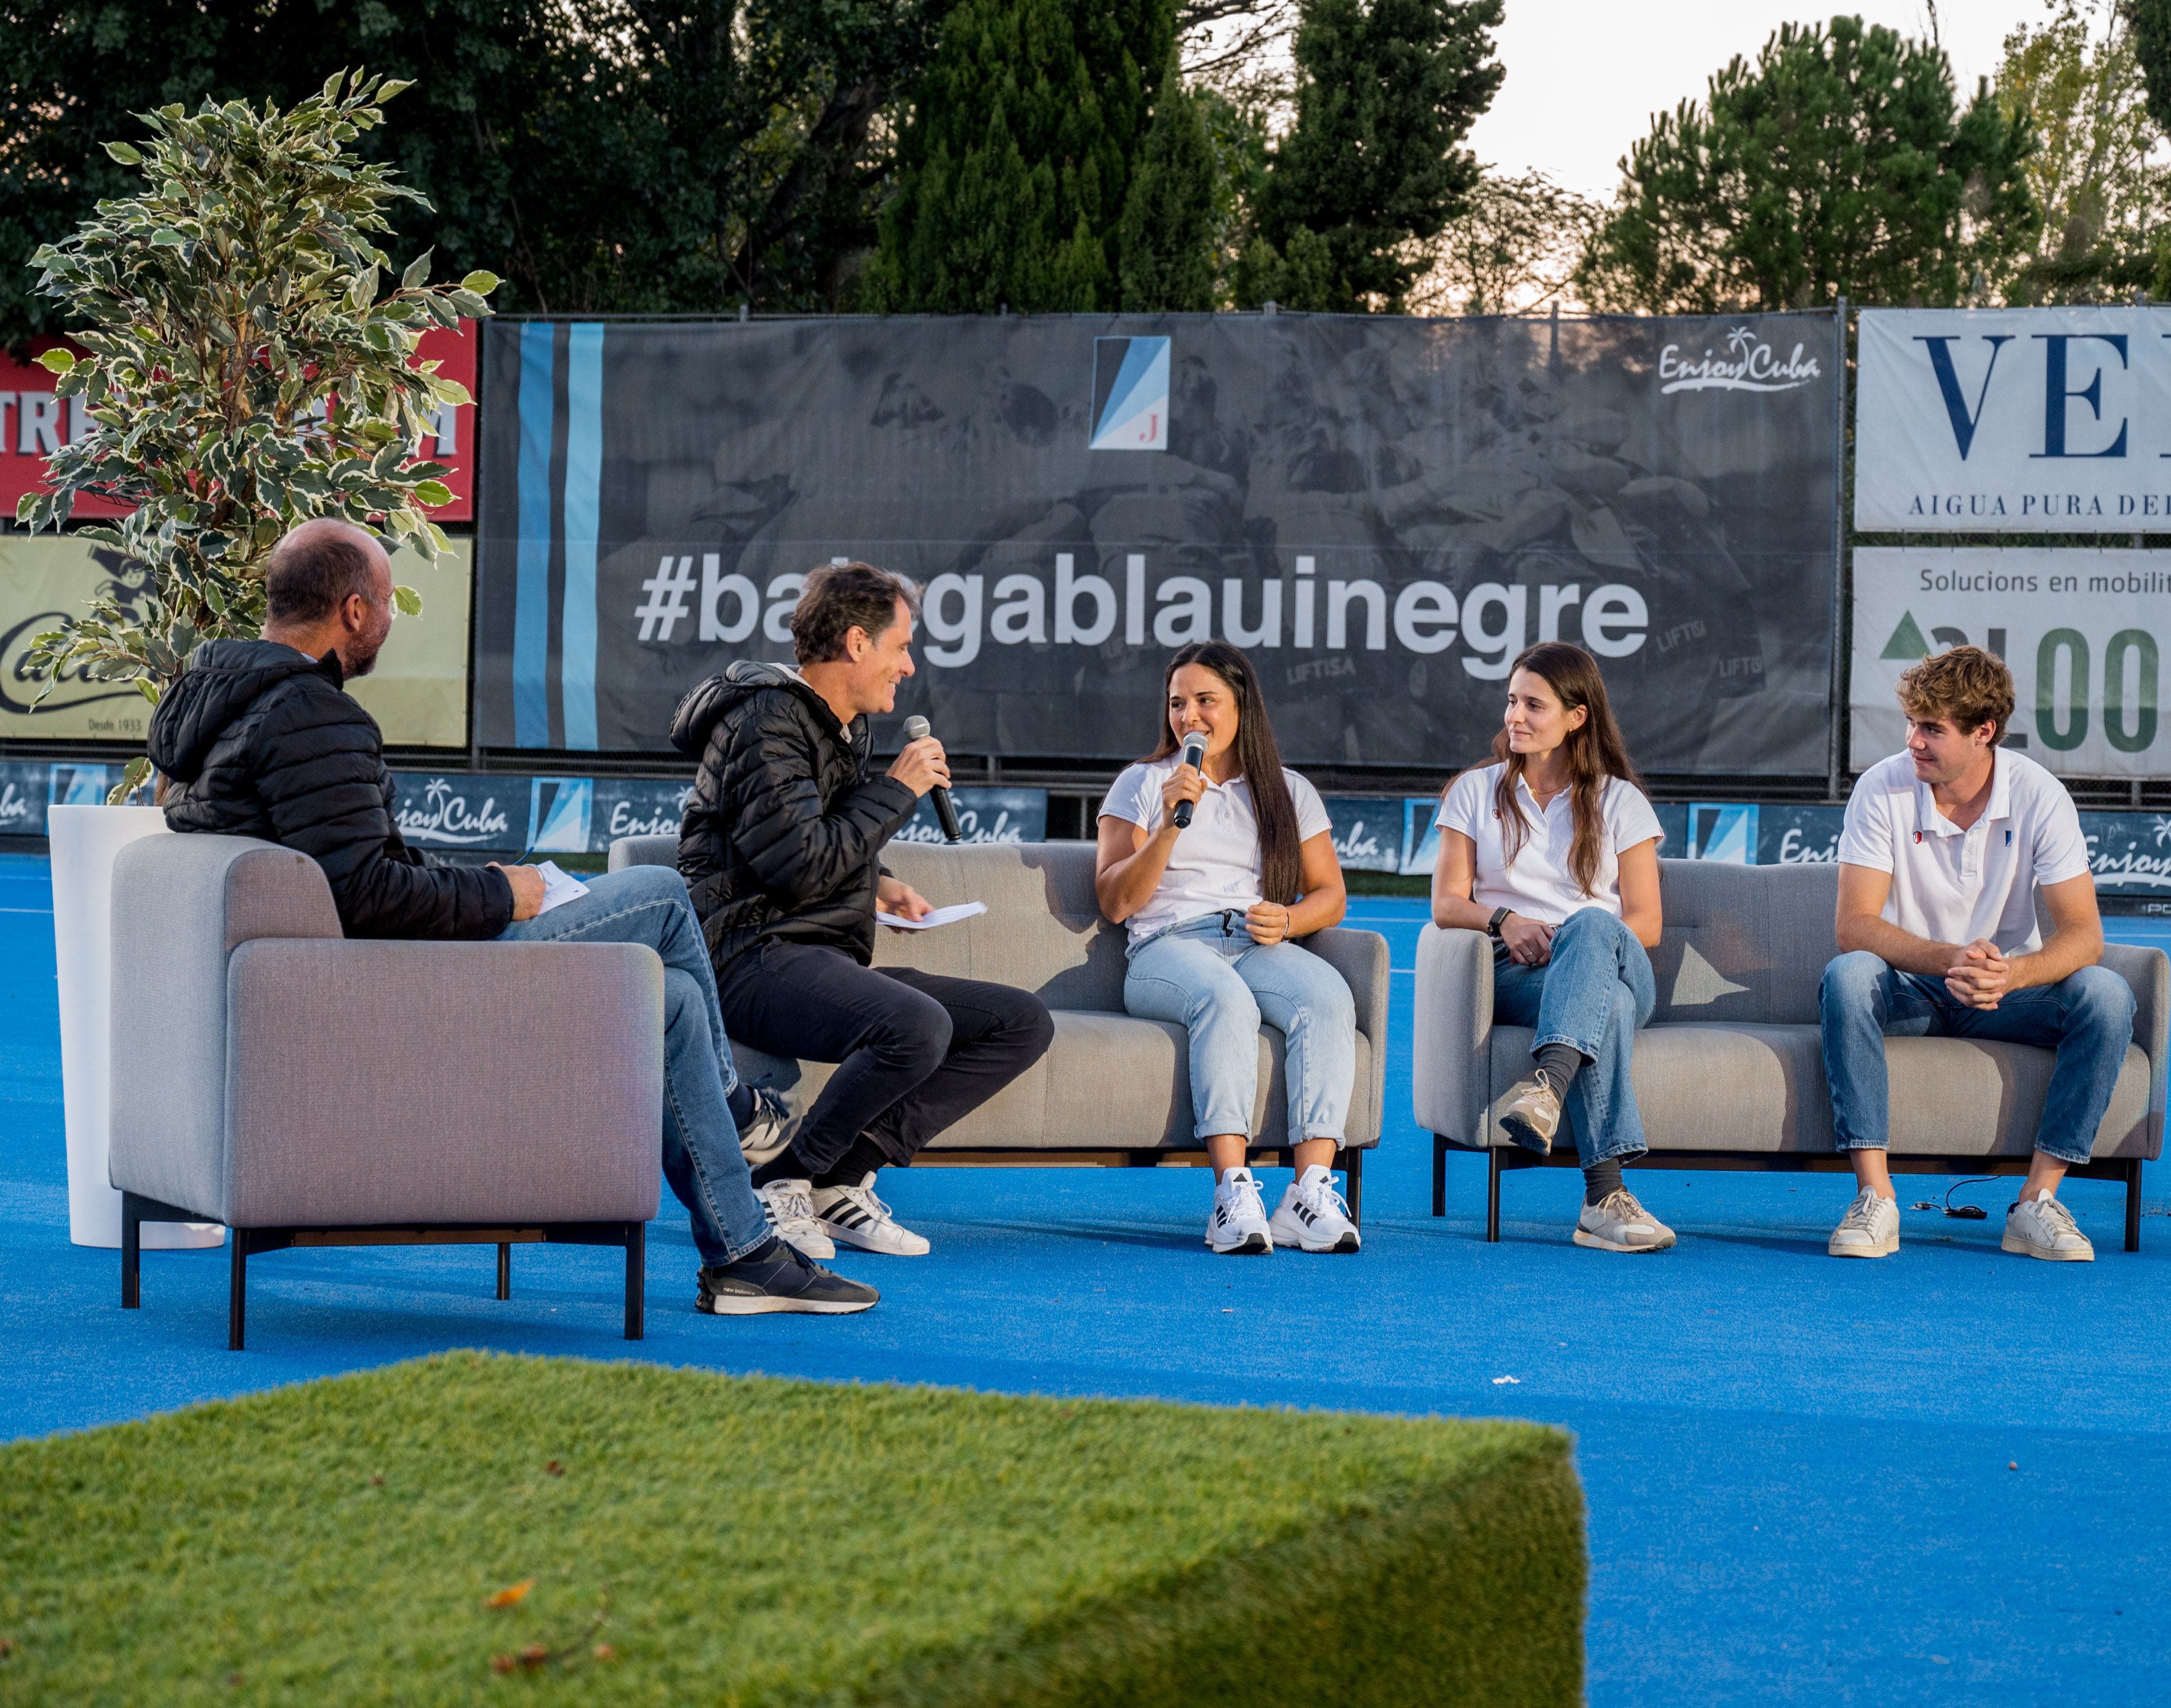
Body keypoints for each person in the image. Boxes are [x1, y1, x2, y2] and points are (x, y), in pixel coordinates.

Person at [146, 519, 875, 1317]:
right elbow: (364, 895)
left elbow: (347, 870)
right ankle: (742, 1114)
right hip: (397, 983)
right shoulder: (311, 714)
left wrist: (473, 877)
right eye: (387, 605)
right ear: (353, 611)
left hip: (344, 984)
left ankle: (745, 1257)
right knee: (664, 895)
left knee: (673, 1001)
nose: (390, 621)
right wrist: (506, 896)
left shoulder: (214, 707)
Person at [672, 563, 1053, 1260]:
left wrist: (878, 884)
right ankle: (784, 1184)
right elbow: (797, 862)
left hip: (806, 951)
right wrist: (899, 790)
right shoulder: (767, 721)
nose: (908, 667)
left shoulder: (837, 727)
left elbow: (800, 832)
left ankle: (838, 1180)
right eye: (901, 647)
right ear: (856, 643)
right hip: (746, 954)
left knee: (1018, 1021)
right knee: (914, 1024)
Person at [1821, 643, 2136, 1262]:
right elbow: (1853, 926)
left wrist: (2011, 974)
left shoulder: (2038, 793)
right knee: (1849, 975)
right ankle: (1876, 1199)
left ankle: (2037, 1202)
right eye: (1912, 723)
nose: (1913, 740)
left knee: (2107, 993)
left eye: (1931, 728)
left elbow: (2083, 934)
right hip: (1909, 988)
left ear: (1983, 731)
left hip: (2005, 994)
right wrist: (1949, 960)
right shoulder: (1882, 788)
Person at [1094, 642, 1361, 1255]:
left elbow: (1331, 895)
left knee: (1325, 997)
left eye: (1205, 701)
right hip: (1166, 946)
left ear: (1242, 706)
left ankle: (1308, 1191)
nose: (1190, 716)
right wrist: (1168, 825)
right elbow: (1114, 902)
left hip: (1253, 940)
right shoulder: (1142, 782)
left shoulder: (1286, 790)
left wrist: (1288, 919)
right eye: (1177, 703)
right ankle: (1232, 1191)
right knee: (1225, 999)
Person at [1431, 641, 1673, 1253]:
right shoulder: (1473, 791)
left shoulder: (1620, 801)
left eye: (1533, 705)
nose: (1515, 715)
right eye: (1511, 701)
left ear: (1577, 716)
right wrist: (1504, 920)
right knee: (1606, 1009)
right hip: (1514, 977)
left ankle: (1546, 1086)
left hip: (1615, 962)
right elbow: (1446, 905)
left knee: (1594, 924)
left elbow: (1643, 923)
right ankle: (1602, 1198)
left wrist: (1572, 938)